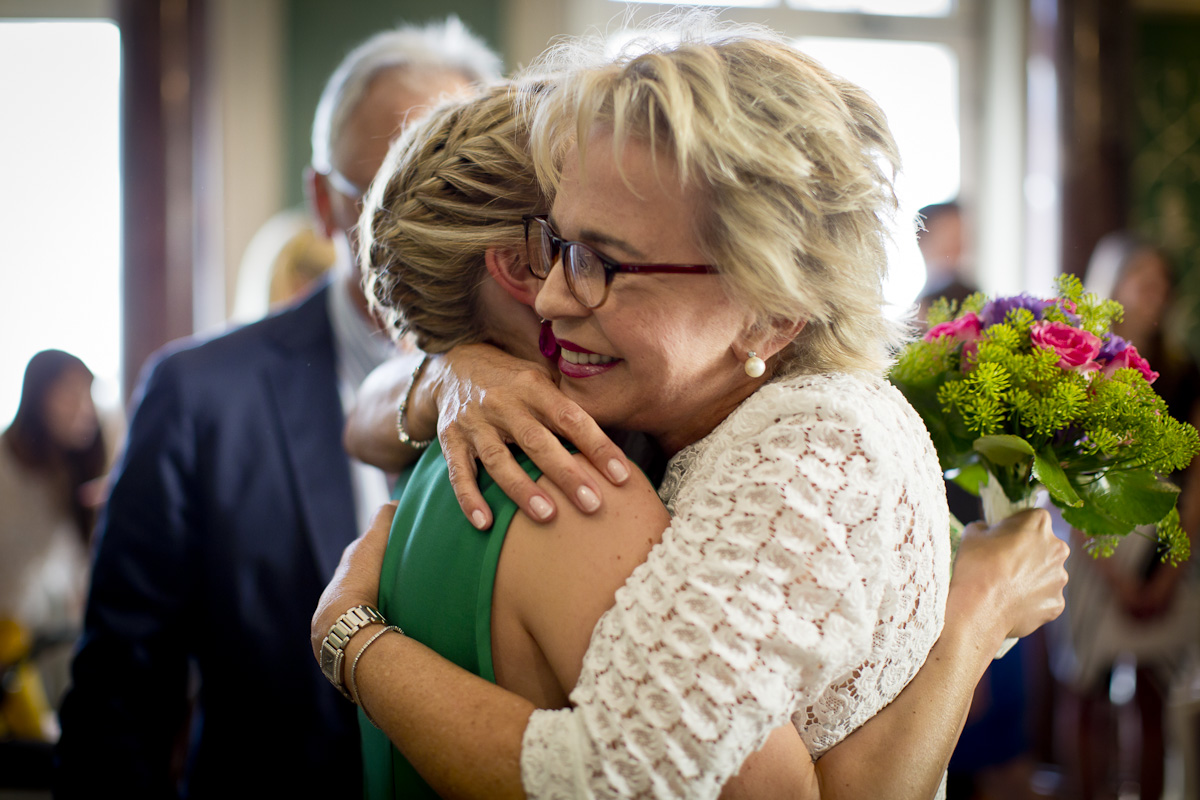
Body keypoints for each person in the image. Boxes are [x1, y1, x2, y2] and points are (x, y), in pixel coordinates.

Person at [317, 21, 1069, 799]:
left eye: (597, 261)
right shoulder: (563, 444)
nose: (551, 294)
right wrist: (451, 372)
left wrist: (355, 641)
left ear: (771, 311)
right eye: (556, 245)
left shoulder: (810, 447)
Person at [54, 20, 500, 798]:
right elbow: (121, 694)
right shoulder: (199, 396)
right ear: (326, 202)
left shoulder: (560, 381)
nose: (435, 232)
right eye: (388, 199)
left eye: (464, 197)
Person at [1053, 232, 1200, 800]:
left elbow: (1195, 483)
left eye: (1162, 282)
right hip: (1096, 546)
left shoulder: (1184, 372)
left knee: (1154, 696)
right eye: (1142, 279)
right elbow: (1067, 475)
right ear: (1112, 284)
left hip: (1166, 544)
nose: (1154, 293)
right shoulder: (1077, 370)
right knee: (1084, 694)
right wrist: (1111, 571)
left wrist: (1169, 572)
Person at [1, 350, 104, 723]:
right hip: (12, 653)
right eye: (70, 394)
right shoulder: (5, 472)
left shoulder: (72, 474)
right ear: (37, 398)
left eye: (88, 395)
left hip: (58, 649)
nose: (85, 409)